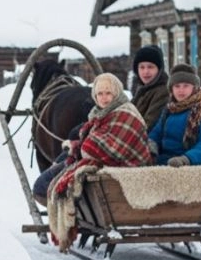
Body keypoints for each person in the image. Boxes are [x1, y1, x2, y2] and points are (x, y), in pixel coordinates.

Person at [33, 73, 152, 207]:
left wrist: (81, 144)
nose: (104, 98)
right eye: (100, 94)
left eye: (108, 93)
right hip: (106, 164)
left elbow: (102, 149)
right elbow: (93, 142)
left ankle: (71, 209)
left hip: (120, 170)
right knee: (56, 168)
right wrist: (76, 144)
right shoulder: (100, 113)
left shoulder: (126, 115)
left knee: (43, 185)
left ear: (117, 93)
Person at [148, 63, 201, 167]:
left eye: (186, 86)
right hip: (164, 163)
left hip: (191, 165)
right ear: (171, 89)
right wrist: (151, 145)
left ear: (194, 87)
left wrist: (187, 159)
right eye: (177, 86)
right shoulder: (169, 111)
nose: (181, 90)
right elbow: (156, 133)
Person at [129, 45, 170, 130]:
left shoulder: (163, 91)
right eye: (142, 67)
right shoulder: (142, 89)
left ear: (159, 69)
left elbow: (148, 124)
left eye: (150, 67)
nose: (146, 71)